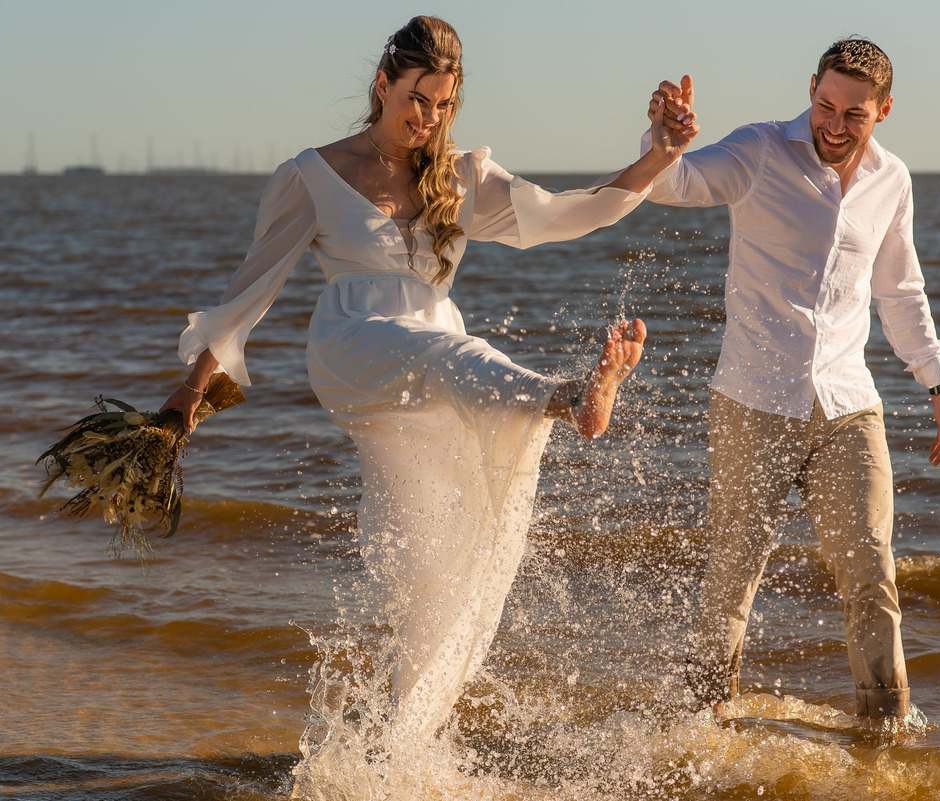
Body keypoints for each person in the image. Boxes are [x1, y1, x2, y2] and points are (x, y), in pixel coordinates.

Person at [161, 15, 698, 750]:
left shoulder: (459, 177)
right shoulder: (312, 176)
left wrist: (660, 156)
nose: (430, 118)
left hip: (433, 363)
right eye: (418, 100)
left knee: (437, 556)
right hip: (354, 344)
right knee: (462, 357)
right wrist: (190, 391)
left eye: (445, 105)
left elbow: (573, 209)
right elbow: (248, 294)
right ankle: (568, 395)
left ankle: (397, 743)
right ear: (383, 86)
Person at [646, 39, 940, 721]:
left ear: (883, 111)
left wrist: (938, 380)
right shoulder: (759, 150)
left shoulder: (892, 180)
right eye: (826, 104)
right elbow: (675, 186)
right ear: (812, 87)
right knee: (732, 577)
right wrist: (664, 142)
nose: (834, 123)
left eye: (854, 113)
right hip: (752, 401)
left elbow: (900, 291)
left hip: (848, 404)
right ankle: (703, 727)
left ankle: (885, 733)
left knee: (872, 576)